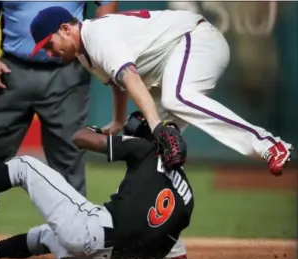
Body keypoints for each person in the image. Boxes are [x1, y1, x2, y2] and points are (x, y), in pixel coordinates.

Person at [28, 7, 293, 177]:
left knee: (175, 100)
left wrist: (158, 125)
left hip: (197, 39)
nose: (49, 53)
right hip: (174, 62)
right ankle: (167, 242)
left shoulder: (96, 36)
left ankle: (270, 145)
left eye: (49, 45)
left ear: (65, 29)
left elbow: (130, 77)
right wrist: (119, 122)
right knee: (145, 139)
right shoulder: (84, 55)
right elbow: (118, 84)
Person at [0, 1, 118, 244]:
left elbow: (106, 3)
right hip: (12, 69)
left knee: (68, 154)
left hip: (67, 70)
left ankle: (75, 233)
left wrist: (94, 42)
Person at [0, 111, 193, 259]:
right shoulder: (188, 197)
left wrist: (101, 131)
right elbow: (165, 253)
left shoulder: (144, 148)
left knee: (24, 166)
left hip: (91, 233)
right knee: (45, 235)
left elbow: (79, 139)